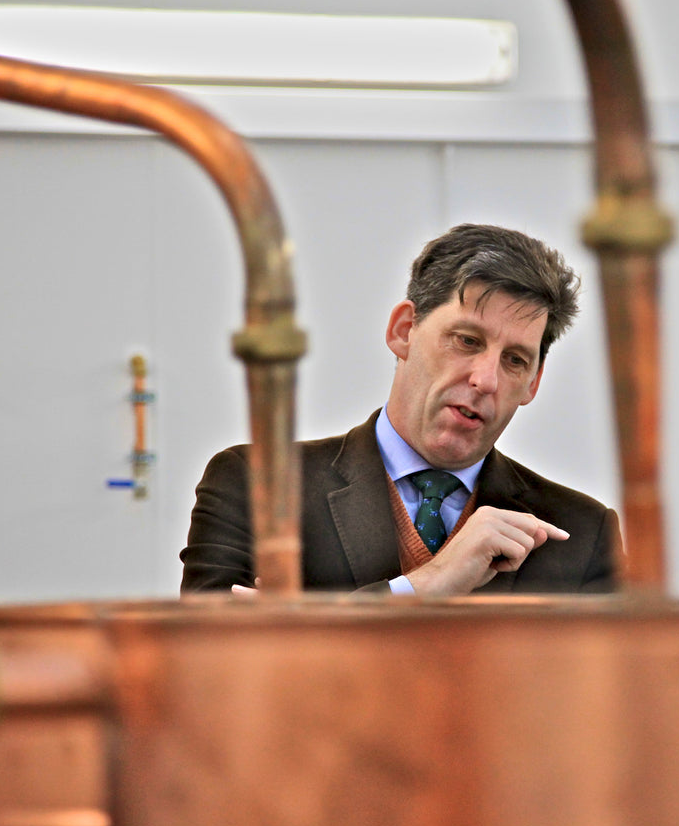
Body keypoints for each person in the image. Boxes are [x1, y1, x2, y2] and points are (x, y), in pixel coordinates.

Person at [181, 223, 621, 596]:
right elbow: (206, 671)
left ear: (533, 383)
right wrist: (424, 586)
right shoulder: (257, 485)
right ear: (403, 330)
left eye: (515, 361)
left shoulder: (579, 534)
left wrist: (299, 627)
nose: (485, 380)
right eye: (467, 341)